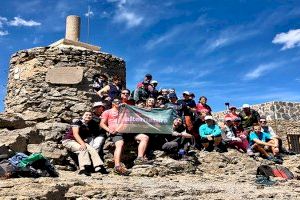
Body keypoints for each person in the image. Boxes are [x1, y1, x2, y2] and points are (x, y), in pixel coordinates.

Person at [100, 99, 151, 175]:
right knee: (120, 143)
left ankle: (140, 158)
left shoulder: (126, 112)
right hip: (116, 132)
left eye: (120, 102)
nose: (119, 103)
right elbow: (102, 123)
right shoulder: (107, 112)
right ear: (113, 103)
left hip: (128, 131)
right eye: (117, 102)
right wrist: (109, 129)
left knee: (144, 137)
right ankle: (117, 166)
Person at [62, 111, 108, 176]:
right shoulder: (77, 122)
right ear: (83, 116)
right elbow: (75, 134)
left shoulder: (87, 126)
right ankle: (83, 168)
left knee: (92, 150)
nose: (88, 116)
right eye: (86, 115)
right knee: (82, 149)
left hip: (79, 141)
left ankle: (99, 167)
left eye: (90, 115)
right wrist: (83, 144)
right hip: (69, 140)